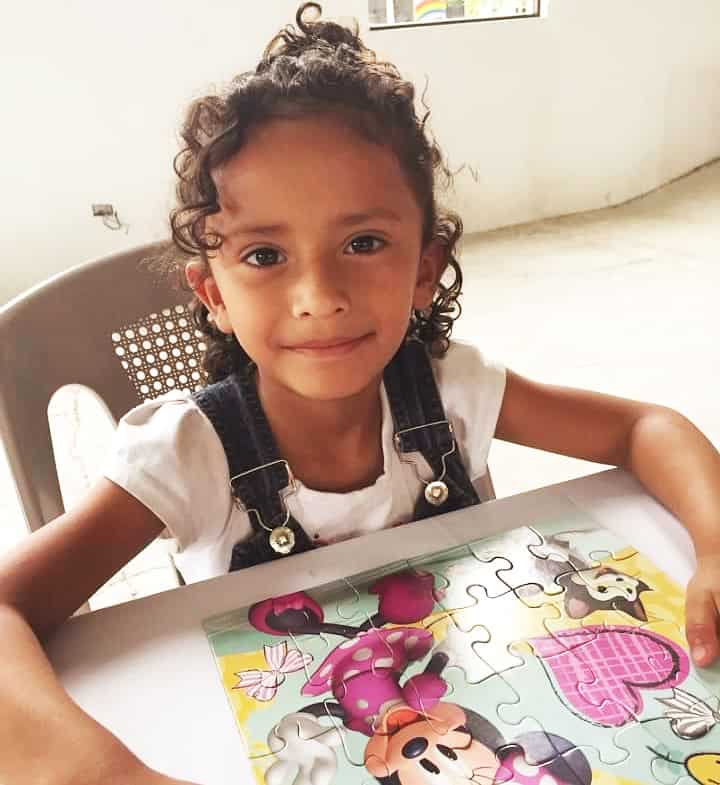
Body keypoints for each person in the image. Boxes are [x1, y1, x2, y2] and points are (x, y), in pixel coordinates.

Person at [1, 3, 719, 783]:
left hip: (476, 725)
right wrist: (101, 771)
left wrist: (714, 543)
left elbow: (646, 426)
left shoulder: (450, 389)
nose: (318, 294)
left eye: (363, 242)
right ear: (212, 293)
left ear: (423, 266)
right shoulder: (184, 452)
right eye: (266, 253)